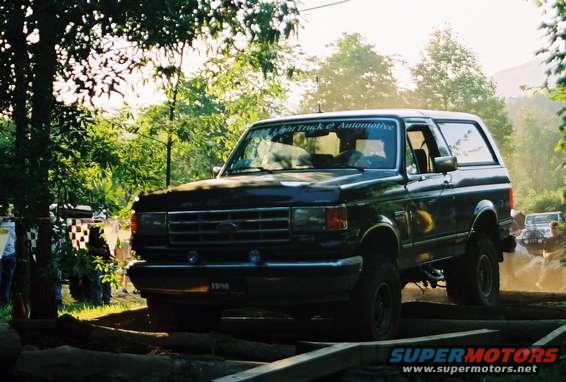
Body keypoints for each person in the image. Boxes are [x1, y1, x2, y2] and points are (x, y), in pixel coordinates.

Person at [87, 221, 113, 305]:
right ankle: (97, 302)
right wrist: (98, 250)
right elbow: (87, 246)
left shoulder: (110, 228)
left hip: (108, 258)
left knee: (107, 282)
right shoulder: (92, 229)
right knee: (96, 281)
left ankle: (107, 301)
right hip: (96, 258)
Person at [535, 221, 565, 291]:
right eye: (551, 228)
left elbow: (563, 250)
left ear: (559, 229)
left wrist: (552, 254)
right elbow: (544, 251)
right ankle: (540, 283)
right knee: (544, 265)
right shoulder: (549, 239)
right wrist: (546, 255)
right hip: (551, 260)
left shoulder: (563, 238)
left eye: (555, 228)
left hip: (561, 259)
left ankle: (563, 287)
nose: (553, 230)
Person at [0, 217, 16, 306]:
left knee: (6, 280)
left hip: (7, 254)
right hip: (10, 253)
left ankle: (4, 302)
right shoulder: (14, 224)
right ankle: (4, 302)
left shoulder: (4, 225)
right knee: (7, 280)